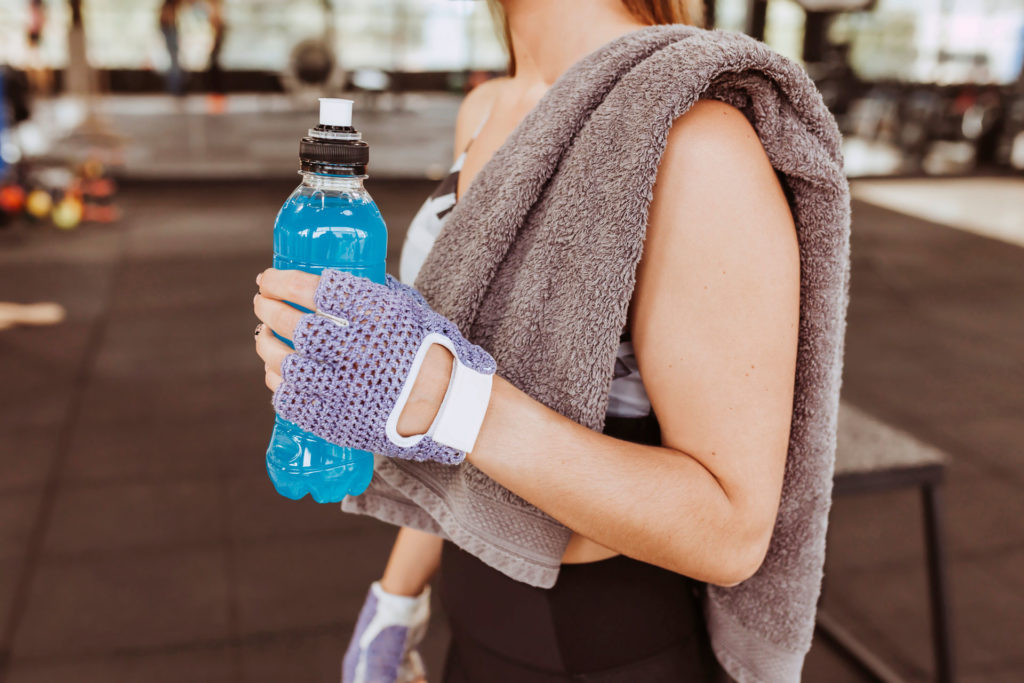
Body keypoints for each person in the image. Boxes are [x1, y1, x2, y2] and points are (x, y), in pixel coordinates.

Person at [254, 1, 808, 681]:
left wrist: (448, 397)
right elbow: (445, 428)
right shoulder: (486, 107)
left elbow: (730, 530)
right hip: (474, 613)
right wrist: (396, 596)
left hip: (601, 643)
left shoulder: (698, 140)